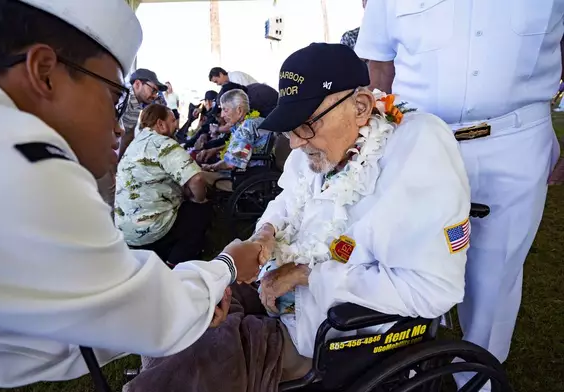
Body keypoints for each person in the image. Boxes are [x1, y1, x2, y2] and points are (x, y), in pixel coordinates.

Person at [0, 1, 263, 391]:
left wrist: (187, 305)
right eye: (115, 98)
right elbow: (154, 316)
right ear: (44, 72)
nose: (118, 126)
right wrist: (227, 268)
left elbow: (10, 343)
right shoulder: (9, 158)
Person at [123, 43, 471, 392]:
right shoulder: (318, 145)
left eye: (304, 125)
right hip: (276, 289)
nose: (295, 143)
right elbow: (288, 197)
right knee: (193, 311)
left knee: (203, 361)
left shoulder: (419, 151)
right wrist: (266, 233)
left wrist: (307, 275)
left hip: (331, 329)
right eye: (289, 128)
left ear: (362, 107)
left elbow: (434, 290)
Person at [354, 0, 563, 370]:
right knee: (403, 257)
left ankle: (479, 375)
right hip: (418, 140)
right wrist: (371, 141)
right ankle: (402, 364)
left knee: (496, 277)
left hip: (517, 141)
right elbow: (379, 66)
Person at [115, 104, 211, 267]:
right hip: (151, 230)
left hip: (125, 231)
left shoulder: (137, 142)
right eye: (173, 120)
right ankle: (174, 264)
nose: (176, 125)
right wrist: (199, 199)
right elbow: (197, 180)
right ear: (160, 124)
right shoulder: (163, 143)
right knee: (201, 210)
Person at [201, 89, 271, 191]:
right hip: (259, 173)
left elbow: (231, 164)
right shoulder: (256, 121)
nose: (222, 115)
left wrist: (211, 166)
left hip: (246, 177)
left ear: (239, 110)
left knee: (198, 177)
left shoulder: (246, 128)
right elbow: (243, 149)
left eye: (225, 110)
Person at [119, 68, 167, 159]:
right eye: (153, 90)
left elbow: (128, 135)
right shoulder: (122, 97)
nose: (155, 96)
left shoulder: (137, 103)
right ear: (137, 84)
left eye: (157, 92)